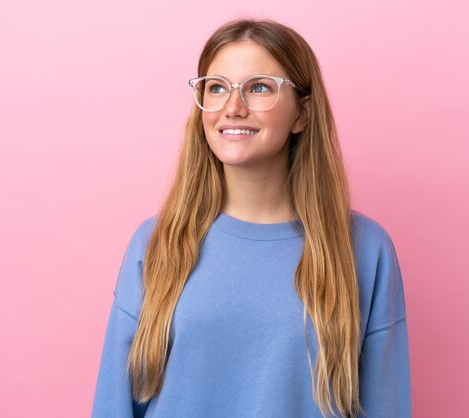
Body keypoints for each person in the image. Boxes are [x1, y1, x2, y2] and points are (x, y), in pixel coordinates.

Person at [91, 18, 411, 418]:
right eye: (218, 87)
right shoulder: (155, 242)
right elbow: (115, 403)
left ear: (302, 114)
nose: (233, 107)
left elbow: (387, 404)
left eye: (259, 87)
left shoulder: (364, 249)